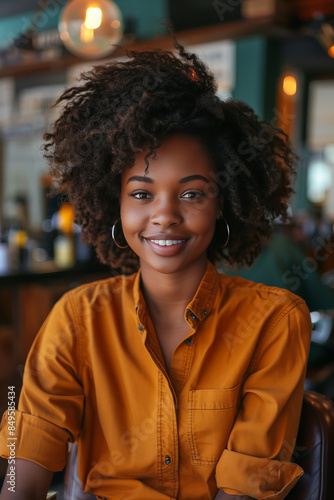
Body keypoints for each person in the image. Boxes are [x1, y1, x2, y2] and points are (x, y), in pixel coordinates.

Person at [0, 39, 311, 500]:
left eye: (191, 193)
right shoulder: (76, 318)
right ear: (116, 203)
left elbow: (244, 488)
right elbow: (19, 475)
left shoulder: (274, 320)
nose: (164, 216)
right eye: (142, 194)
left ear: (222, 202)